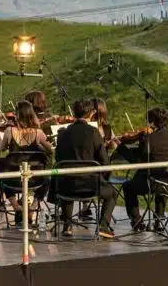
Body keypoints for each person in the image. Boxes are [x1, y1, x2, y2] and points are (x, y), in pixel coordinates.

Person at [53, 99, 115, 238]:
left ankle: (67, 226)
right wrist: (103, 179)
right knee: (111, 194)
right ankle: (103, 227)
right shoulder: (94, 132)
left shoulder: (63, 133)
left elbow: (58, 159)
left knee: (68, 181)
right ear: (92, 113)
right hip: (89, 184)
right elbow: (104, 161)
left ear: (74, 113)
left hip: (65, 185)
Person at [118, 107, 168, 231]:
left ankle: (137, 221)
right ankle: (159, 219)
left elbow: (137, 163)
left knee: (128, 186)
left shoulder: (149, 140)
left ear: (152, 122)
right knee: (164, 175)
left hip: (155, 184)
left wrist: (120, 148)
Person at [0, 100, 52, 213]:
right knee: (47, 175)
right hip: (35, 179)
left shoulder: (9, 131)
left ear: (17, 114)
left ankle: (15, 205)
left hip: (13, 180)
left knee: (1, 166)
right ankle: (34, 205)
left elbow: (1, 148)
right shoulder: (38, 132)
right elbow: (50, 149)